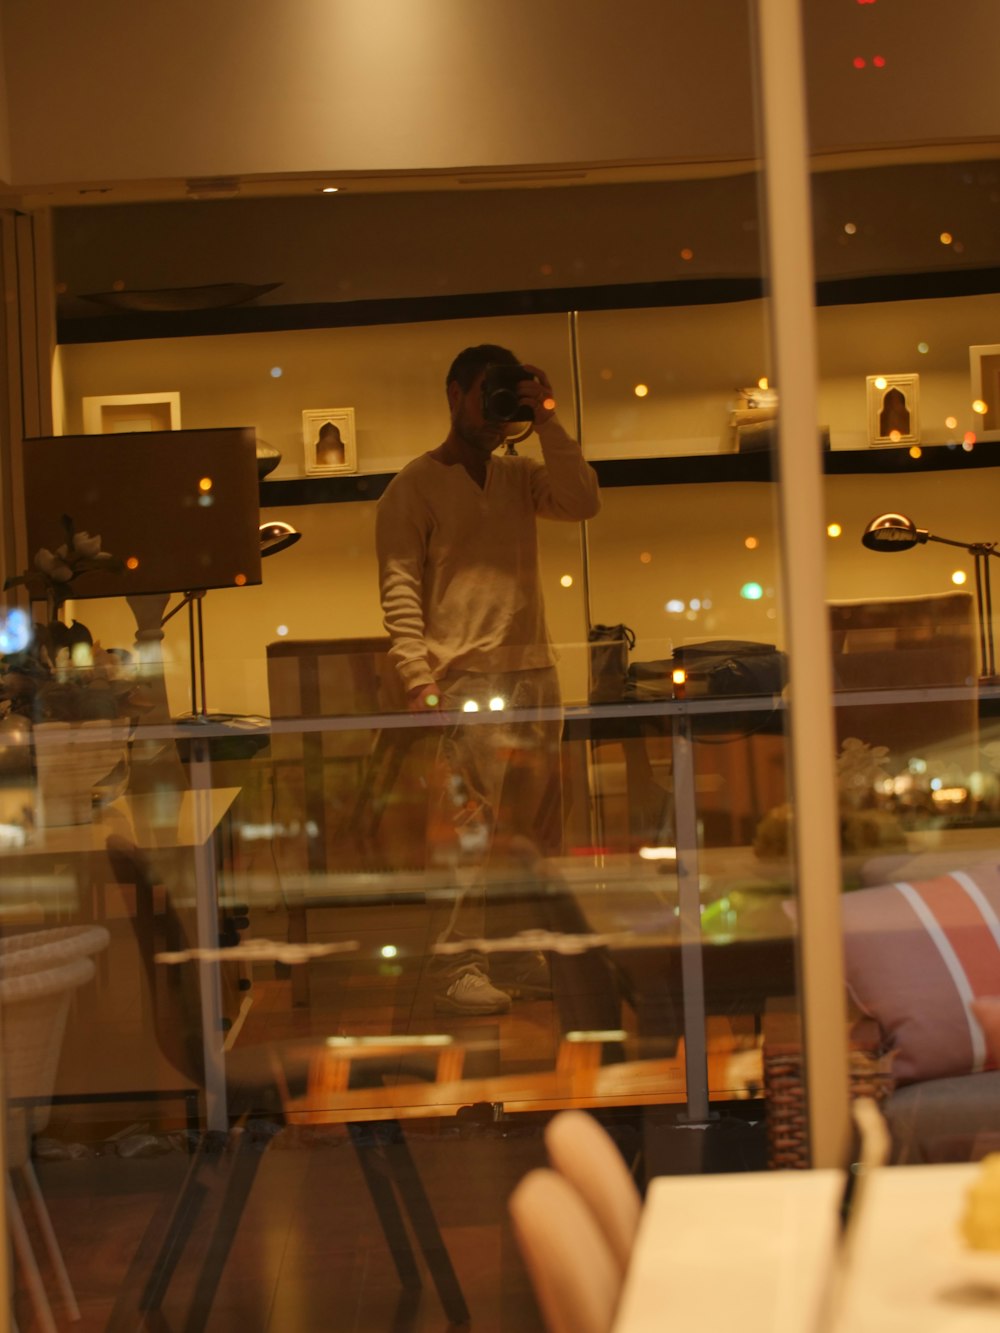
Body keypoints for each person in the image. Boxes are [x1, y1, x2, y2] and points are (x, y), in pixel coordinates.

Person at [375, 344, 601, 1014]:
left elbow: (582, 499)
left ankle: (517, 952)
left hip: (535, 672)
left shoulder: (521, 476)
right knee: (466, 828)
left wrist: (550, 417)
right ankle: (456, 965)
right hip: (464, 677)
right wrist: (418, 678)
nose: (499, 409)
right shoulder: (412, 486)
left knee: (535, 833)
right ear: (454, 394)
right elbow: (400, 589)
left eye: (510, 395)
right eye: (488, 393)